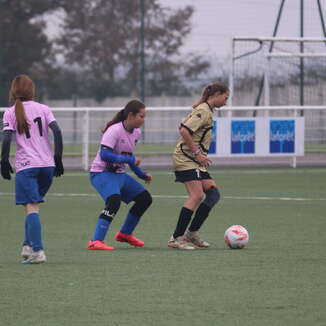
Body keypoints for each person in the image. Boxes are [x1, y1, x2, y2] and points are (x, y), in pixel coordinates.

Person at [1, 75, 64, 263]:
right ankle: (27, 246)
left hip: (27, 167)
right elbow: (58, 132)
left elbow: (6, 138)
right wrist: (58, 158)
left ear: (13, 92)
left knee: (31, 207)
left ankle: (38, 251)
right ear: (32, 90)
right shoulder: (44, 108)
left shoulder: (10, 112)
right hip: (47, 166)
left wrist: (3, 161)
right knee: (32, 207)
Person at [168, 82, 229, 250]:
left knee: (213, 194)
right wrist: (197, 153)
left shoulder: (206, 110)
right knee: (196, 195)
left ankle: (191, 233)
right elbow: (184, 131)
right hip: (186, 158)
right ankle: (176, 238)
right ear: (216, 94)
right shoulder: (203, 110)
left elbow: (182, 126)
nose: (226, 101)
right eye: (225, 97)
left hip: (194, 160)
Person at [88, 99, 152, 251]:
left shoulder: (136, 132)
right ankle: (95, 241)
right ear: (130, 115)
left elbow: (128, 157)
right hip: (101, 173)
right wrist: (130, 159)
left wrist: (141, 174)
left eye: (144, 117)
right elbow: (104, 155)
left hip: (119, 175)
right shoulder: (114, 131)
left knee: (145, 199)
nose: (143, 120)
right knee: (114, 201)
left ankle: (125, 234)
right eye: (141, 116)